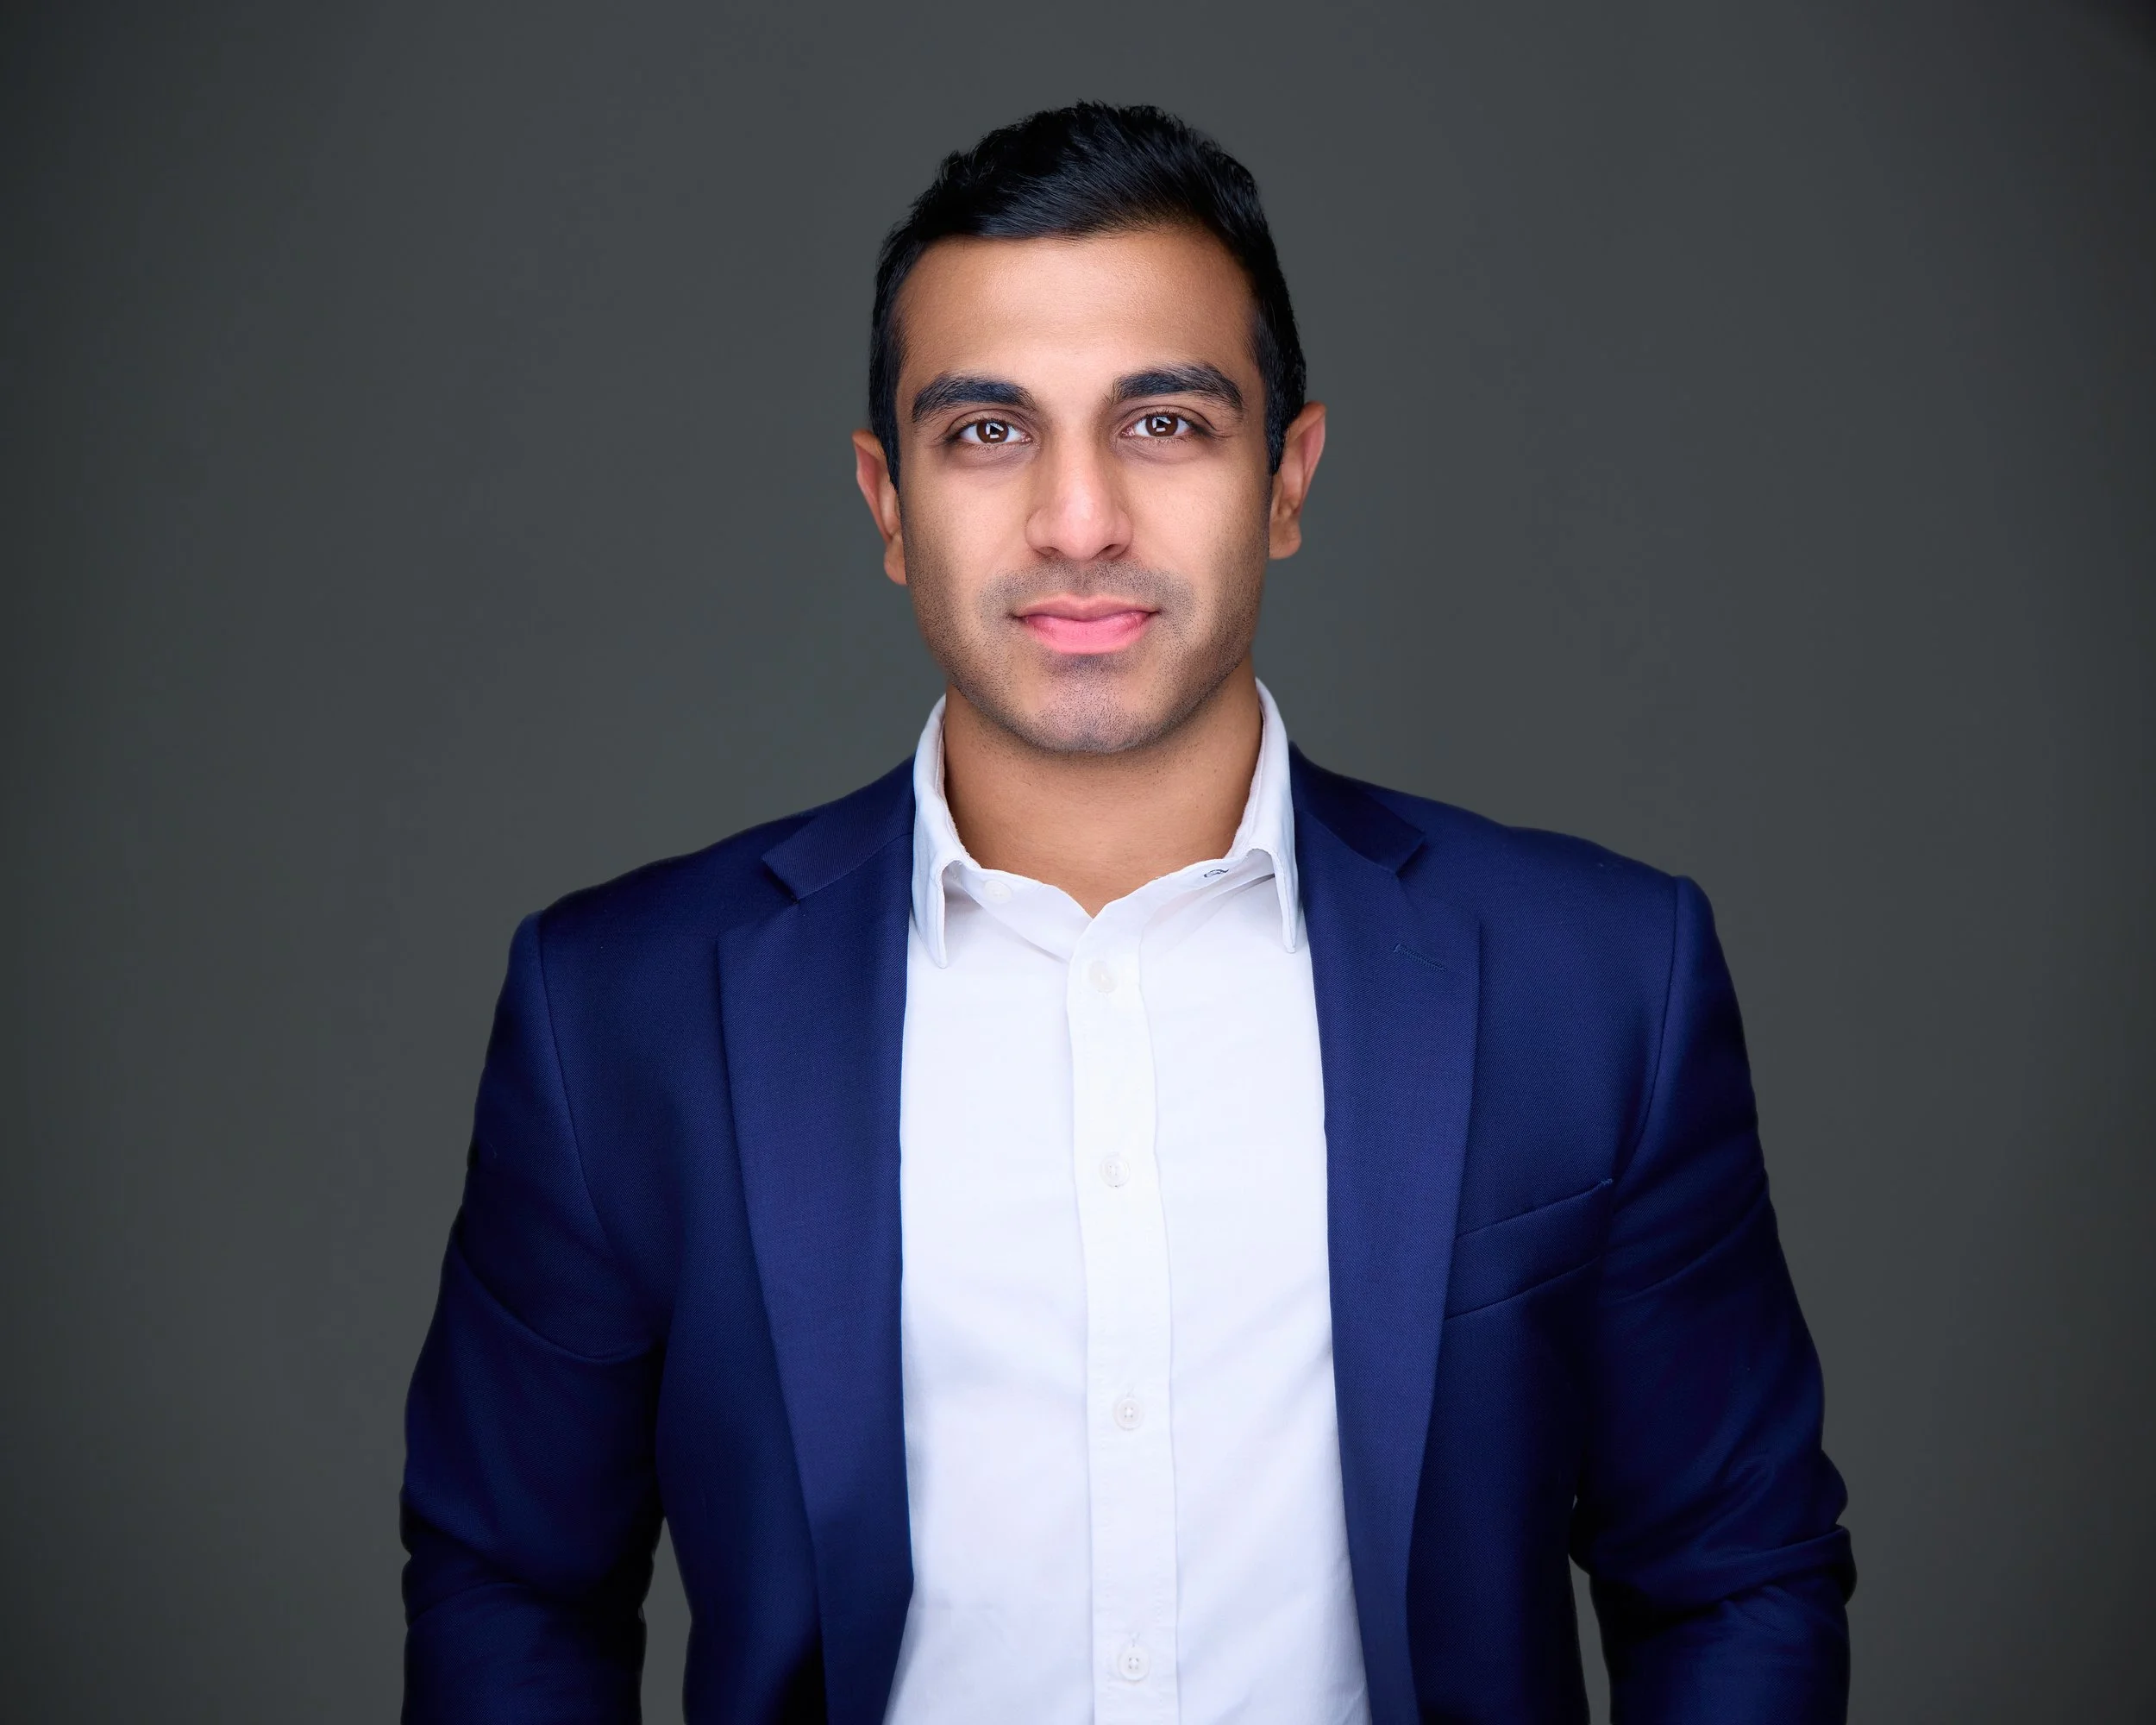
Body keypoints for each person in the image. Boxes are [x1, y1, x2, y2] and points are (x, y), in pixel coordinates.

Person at [400, 103, 1853, 1725]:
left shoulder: (1596, 986)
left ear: (1287, 478)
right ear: (886, 503)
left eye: (1164, 424)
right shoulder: (621, 1017)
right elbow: (512, 1583)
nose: (1078, 520)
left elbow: (1734, 1571)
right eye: (987, 432)